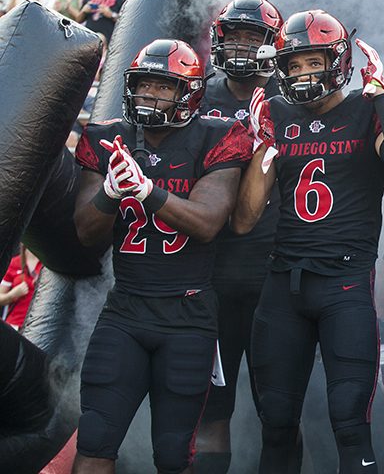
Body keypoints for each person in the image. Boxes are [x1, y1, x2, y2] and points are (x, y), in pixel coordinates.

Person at [231, 9, 384, 473]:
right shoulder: (276, 114)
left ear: (338, 61)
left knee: (349, 425)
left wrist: (379, 96)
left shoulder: (369, 107)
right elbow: (243, 221)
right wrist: (262, 145)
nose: (304, 73)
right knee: (276, 423)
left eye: (313, 61)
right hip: (282, 282)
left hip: (344, 284)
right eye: (294, 64)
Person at [72, 39, 252, 474]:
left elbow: (208, 222)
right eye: (143, 85)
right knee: (94, 439)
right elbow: (85, 233)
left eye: (163, 88)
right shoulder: (106, 138)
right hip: (126, 310)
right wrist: (110, 195)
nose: (149, 96)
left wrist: (148, 191)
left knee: (173, 455)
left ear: (188, 94)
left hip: (188, 315)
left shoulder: (217, 135)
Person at [194, 0, 284, 474]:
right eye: (236, 35)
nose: (244, 46)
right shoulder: (197, 97)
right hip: (211, 273)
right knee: (212, 410)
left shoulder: (292, 96)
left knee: (281, 411)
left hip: (276, 274)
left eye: (255, 37)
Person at [0, 245, 42, 330]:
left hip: (37, 326)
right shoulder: (14, 263)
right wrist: (12, 295)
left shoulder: (47, 266)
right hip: (14, 325)